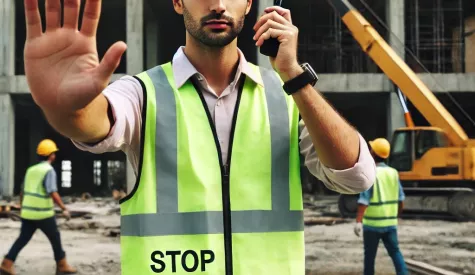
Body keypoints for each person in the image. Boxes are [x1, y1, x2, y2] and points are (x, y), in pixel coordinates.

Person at [21, 0, 376, 274]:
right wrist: (65, 109)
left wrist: (294, 76)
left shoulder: (286, 94)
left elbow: (357, 176)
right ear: (177, 2)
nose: (218, 4)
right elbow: (96, 122)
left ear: (250, 4)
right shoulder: (143, 93)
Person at [0, 139, 77, 275]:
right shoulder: (49, 170)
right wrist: (63, 208)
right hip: (43, 214)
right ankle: (62, 265)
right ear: (51, 155)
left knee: (23, 238)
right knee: (55, 237)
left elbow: (23, 191)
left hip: (28, 213)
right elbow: (52, 192)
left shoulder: (31, 170)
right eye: (53, 153)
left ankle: (7, 263)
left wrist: (22, 206)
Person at [354, 138, 408, 275]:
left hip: (372, 225)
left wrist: (358, 222)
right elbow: (401, 199)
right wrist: (396, 216)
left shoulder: (370, 173)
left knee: (370, 257)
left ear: (373, 153)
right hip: (390, 224)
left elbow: (364, 200)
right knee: (395, 252)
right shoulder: (393, 173)